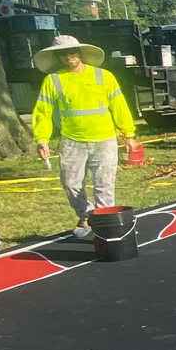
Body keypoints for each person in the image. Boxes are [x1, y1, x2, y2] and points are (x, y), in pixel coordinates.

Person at [30, 35, 139, 238]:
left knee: (104, 183)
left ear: (80, 53)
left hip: (104, 139)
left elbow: (119, 106)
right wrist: (41, 140)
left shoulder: (103, 76)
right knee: (70, 183)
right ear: (58, 57)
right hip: (72, 141)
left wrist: (129, 134)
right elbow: (42, 112)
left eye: (72, 52)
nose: (68, 56)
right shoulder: (53, 80)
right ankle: (86, 215)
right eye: (63, 53)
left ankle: (104, 223)